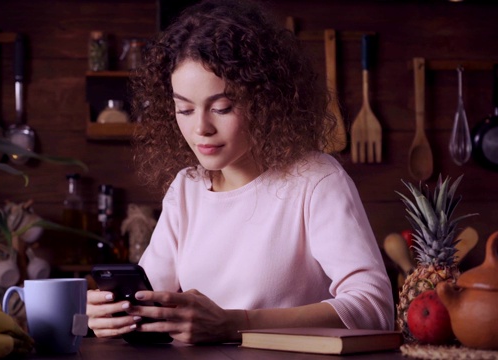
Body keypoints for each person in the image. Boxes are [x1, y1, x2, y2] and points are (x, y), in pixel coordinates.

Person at [87, 0, 395, 344]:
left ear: (264, 100)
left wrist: (235, 323)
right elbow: (152, 300)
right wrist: (116, 314)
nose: (201, 127)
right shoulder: (186, 188)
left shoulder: (315, 179)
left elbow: (375, 307)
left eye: (222, 107)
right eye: (184, 109)